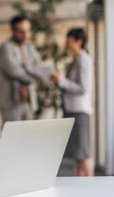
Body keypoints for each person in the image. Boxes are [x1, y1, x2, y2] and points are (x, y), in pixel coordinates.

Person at [50, 28, 94, 176]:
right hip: (72, 109)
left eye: (68, 40)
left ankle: (90, 186)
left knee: (83, 152)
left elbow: (82, 88)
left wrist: (62, 81)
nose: (66, 43)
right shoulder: (75, 60)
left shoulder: (84, 59)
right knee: (77, 153)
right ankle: (79, 185)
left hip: (79, 110)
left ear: (78, 42)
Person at [0, 15, 45, 122]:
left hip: (29, 100)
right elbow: (14, 71)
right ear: (13, 31)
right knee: (12, 135)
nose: (25, 35)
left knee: (28, 135)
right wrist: (31, 70)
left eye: (28, 31)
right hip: (10, 101)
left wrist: (25, 67)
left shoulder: (30, 48)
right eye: (21, 31)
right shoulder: (5, 47)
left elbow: (40, 70)